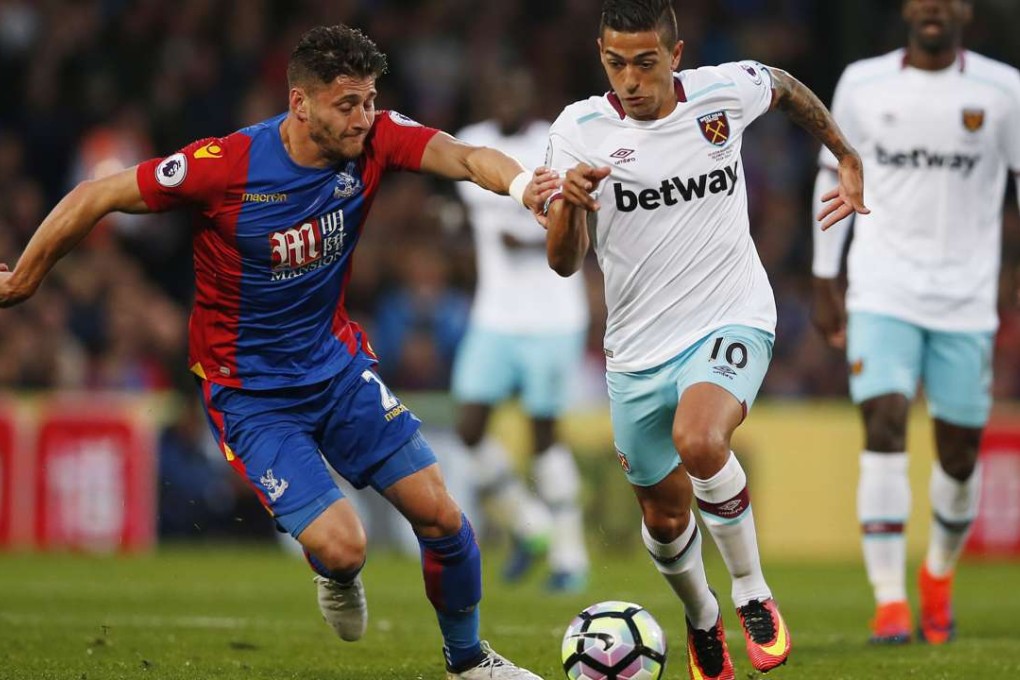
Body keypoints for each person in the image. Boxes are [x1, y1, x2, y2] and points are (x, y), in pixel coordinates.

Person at [0, 24, 557, 680]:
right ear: (301, 104)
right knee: (346, 548)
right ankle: (336, 574)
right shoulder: (227, 165)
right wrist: (24, 279)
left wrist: (527, 191)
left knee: (442, 516)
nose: (363, 118)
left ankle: (468, 663)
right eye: (347, 104)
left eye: (370, 100)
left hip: (336, 368)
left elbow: (465, 157)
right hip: (251, 392)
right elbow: (98, 194)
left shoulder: (376, 138)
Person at [544, 1, 867, 678]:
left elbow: (783, 84)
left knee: (701, 439)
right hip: (635, 350)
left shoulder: (722, 93)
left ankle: (751, 592)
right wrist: (570, 204)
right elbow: (564, 262)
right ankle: (702, 618)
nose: (630, 79)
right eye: (615, 63)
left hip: (732, 313)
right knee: (664, 519)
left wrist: (843, 152)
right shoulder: (579, 129)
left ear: (677, 55)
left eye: (645, 61)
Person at [810, 0, 1020, 646]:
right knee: (885, 422)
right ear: (906, 8)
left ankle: (937, 575)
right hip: (882, 288)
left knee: (958, 456)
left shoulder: (1004, 89)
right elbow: (832, 169)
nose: (934, 6)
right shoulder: (862, 83)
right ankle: (890, 603)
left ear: (966, 9)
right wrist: (826, 275)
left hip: (966, 299)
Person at [452, 68, 591, 593]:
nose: (507, 98)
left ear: (531, 95)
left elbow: (586, 224)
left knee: (543, 437)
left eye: (516, 89)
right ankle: (529, 526)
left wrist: (532, 245)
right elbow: (460, 214)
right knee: (468, 428)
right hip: (494, 314)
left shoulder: (552, 146)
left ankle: (569, 557)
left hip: (553, 317)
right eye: (499, 90)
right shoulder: (475, 142)